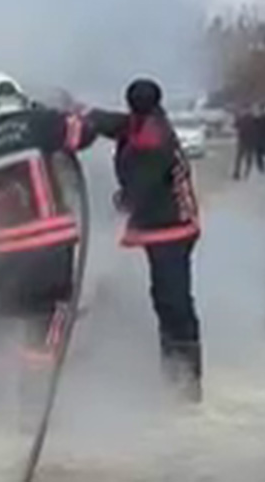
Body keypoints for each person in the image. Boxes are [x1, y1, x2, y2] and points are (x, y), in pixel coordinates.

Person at [0, 72, 98, 376]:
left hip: (2, 248)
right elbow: (83, 133)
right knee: (52, 312)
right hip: (48, 240)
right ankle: (35, 397)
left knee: (4, 312)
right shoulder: (40, 123)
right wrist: (67, 114)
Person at [89, 77, 203, 403]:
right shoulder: (143, 122)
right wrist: (82, 115)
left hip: (172, 226)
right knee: (165, 298)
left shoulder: (154, 140)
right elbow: (117, 124)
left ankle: (185, 383)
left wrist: (117, 206)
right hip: (161, 224)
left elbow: (136, 192)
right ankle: (173, 373)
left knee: (173, 301)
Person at [232, 107, 257, 180]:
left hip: (243, 140)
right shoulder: (253, 119)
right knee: (248, 158)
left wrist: (236, 117)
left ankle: (237, 173)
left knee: (239, 158)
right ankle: (246, 173)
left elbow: (235, 126)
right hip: (250, 141)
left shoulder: (242, 119)